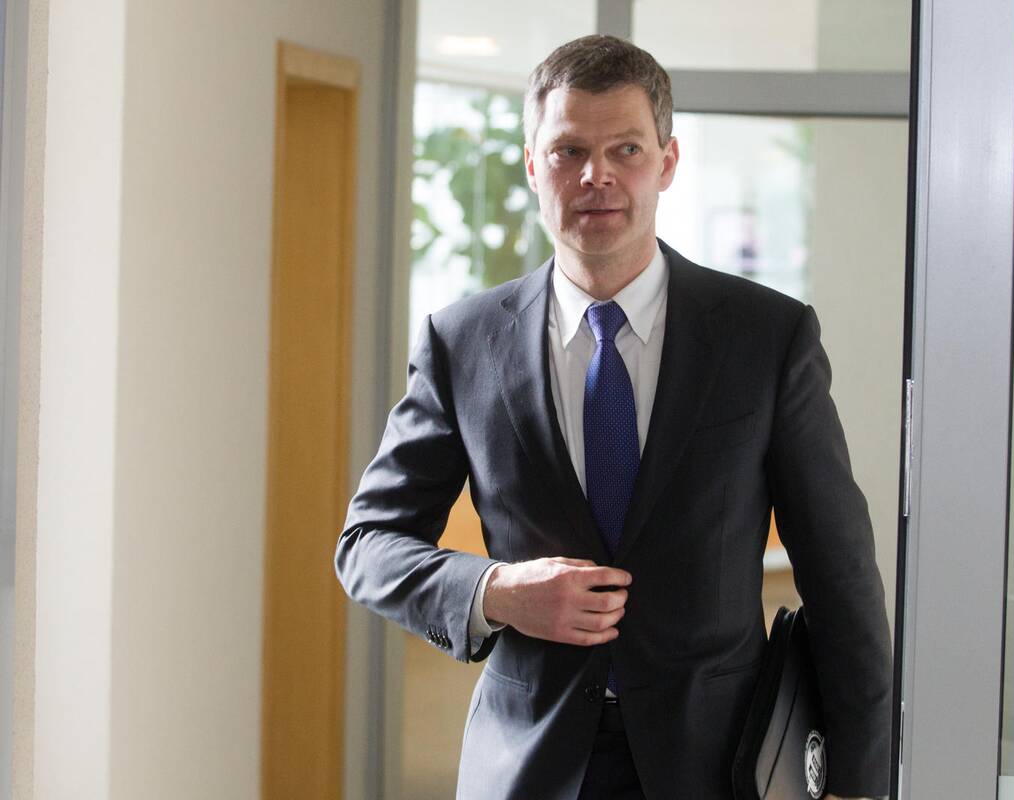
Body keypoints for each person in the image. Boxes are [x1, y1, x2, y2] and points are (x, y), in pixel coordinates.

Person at [336, 34, 891, 800]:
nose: (596, 175)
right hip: (527, 766)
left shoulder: (766, 337)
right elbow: (367, 545)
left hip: (720, 767)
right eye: (568, 151)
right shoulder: (461, 342)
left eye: (625, 149)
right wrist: (496, 589)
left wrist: (861, 779)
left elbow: (839, 571)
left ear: (667, 161)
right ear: (533, 167)